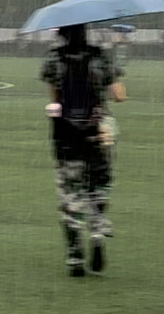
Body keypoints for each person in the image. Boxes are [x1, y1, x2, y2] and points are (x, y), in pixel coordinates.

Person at [39, 23, 124, 277]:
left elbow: (54, 101)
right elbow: (119, 96)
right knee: (98, 184)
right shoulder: (100, 56)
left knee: (69, 194)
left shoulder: (54, 59)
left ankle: (75, 256)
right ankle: (97, 229)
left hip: (66, 136)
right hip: (97, 131)